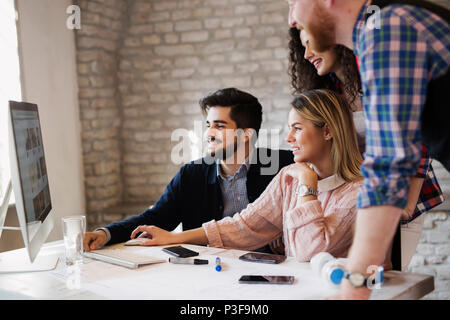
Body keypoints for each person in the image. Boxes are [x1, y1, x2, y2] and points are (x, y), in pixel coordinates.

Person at [286, 0, 450, 299]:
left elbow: (389, 164)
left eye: (292, 2)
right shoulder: (377, 36)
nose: (292, 19)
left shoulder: (388, 29)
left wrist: (355, 282)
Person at [124, 89, 364, 263]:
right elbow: (245, 225)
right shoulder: (289, 176)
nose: (288, 137)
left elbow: (309, 254)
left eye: (297, 128)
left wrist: (308, 187)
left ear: (328, 131)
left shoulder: (358, 191)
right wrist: (172, 238)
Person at [83, 88, 294, 254]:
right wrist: (105, 234)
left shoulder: (283, 166)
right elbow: (156, 217)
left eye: (219, 126)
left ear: (247, 134)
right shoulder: (192, 174)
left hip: (267, 273)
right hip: (206, 275)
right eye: (208, 125)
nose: (209, 133)